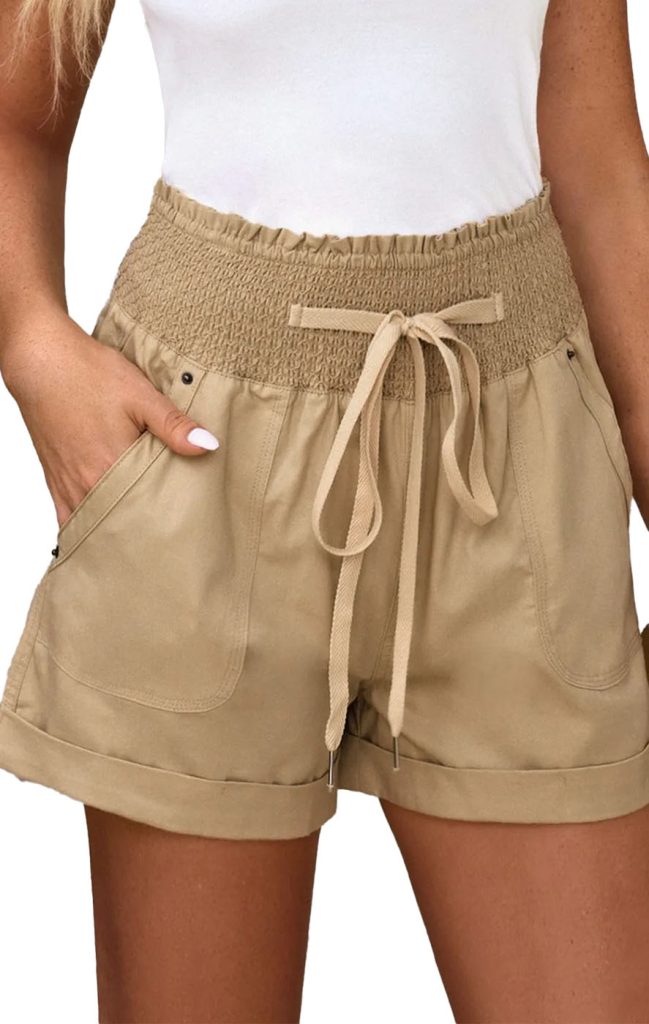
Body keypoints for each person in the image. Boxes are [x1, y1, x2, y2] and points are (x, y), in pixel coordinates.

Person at [1, 0, 648, 1021]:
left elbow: (597, 160)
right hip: (203, 448)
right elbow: (14, 117)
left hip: (515, 452)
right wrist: (32, 345)